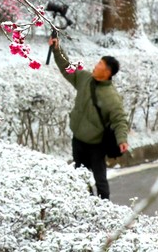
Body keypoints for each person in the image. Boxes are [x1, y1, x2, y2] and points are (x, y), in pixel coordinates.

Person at [49, 37, 129, 199]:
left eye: (100, 64)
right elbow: (67, 68)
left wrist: (122, 139)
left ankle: (104, 207)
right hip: (78, 140)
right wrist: (57, 50)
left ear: (107, 72)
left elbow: (119, 120)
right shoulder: (85, 78)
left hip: (96, 145)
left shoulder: (111, 97)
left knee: (100, 180)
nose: (96, 65)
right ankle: (86, 203)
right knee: (80, 176)